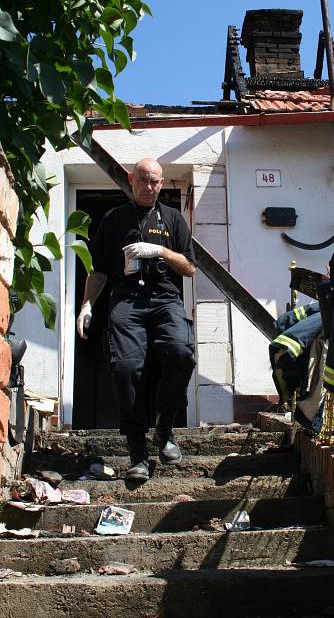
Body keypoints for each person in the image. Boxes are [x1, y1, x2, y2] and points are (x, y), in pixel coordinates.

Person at [76, 158, 196, 482]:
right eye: (143, 180)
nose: (150, 187)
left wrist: (159, 252)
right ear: (131, 180)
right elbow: (99, 270)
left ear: (162, 182)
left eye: (155, 181)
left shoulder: (172, 217)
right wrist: (87, 305)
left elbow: (189, 267)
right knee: (125, 367)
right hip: (127, 298)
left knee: (182, 353)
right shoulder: (114, 219)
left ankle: (165, 427)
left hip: (164, 298)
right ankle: (137, 450)